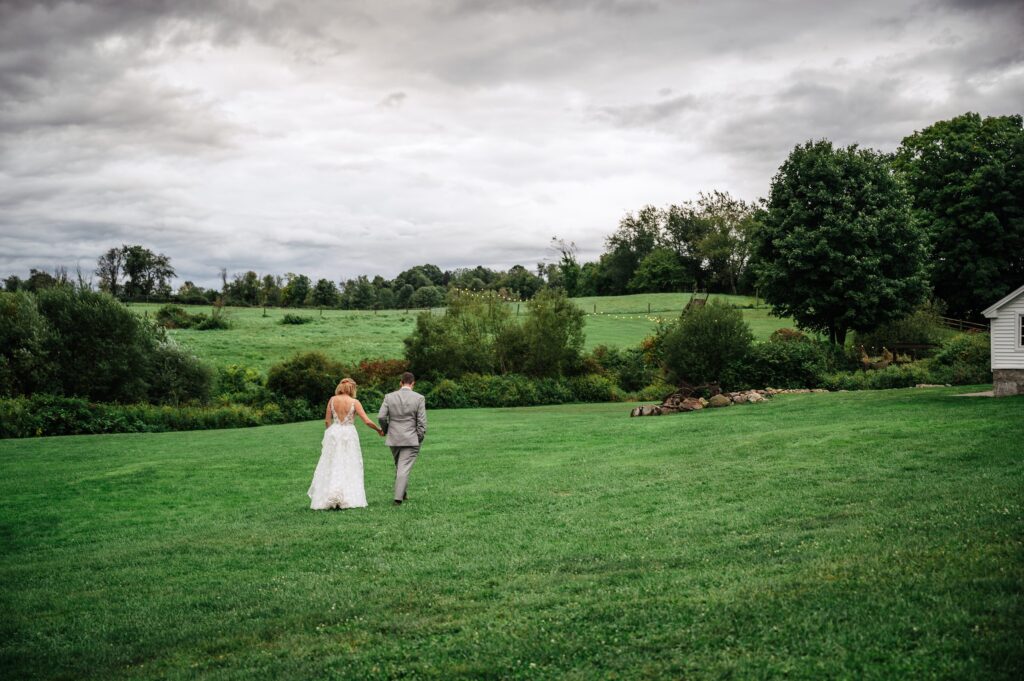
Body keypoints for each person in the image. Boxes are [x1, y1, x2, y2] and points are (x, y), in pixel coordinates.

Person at [308, 378, 384, 510]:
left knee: (332, 463)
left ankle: (330, 496)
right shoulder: (355, 402)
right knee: (349, 463)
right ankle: (347, 497)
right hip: (348, 434)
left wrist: (329, 434)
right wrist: (378, 429)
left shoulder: (332, 400)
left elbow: (327, 421)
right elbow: (366, 421)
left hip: (334, 433)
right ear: (352, 389)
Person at [378, 371, 427, 506]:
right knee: (403, 468)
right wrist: (419, 437)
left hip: (394, 438)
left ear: (400, 382)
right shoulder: (419, 398)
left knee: (400, 467)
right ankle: (398, 498)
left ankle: (403, 493)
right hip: (411, 438)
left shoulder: (389, 397)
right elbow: (422, 422)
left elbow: (381, 416)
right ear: (413, 383)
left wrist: (386, 429)